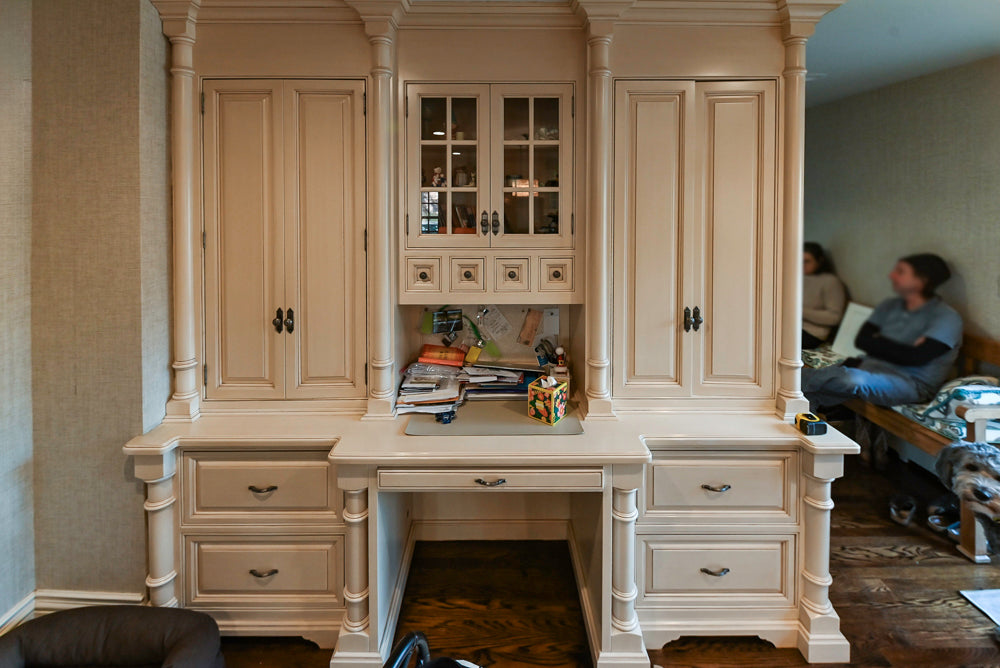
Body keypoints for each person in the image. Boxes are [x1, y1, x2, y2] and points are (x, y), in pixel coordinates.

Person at [803, 253, 962, 410]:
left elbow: (916, 357)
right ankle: (802, 417)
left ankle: (790, 381)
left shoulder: (945, 317)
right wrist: (904, 348)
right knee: (813, 394)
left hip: (910, 383)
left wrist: (879, 342)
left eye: (900, 272)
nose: (891, 275)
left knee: (850, 379)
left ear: (921, 281)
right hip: (868, 367)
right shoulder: (890, 305)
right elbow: (862, 340)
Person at [802, 242, 847, 349]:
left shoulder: (830, 281)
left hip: (812, 333)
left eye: (807, 261)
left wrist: (799, 311)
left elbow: (834, 317)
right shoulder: (799, 277)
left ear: (819, 261)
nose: (802, 265)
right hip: (793, 326)